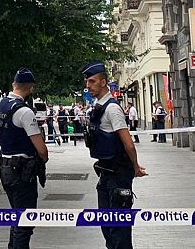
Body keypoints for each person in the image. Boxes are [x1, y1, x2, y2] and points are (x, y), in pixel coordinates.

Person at [82, 62, 147, 249]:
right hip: (106, 172)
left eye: (92, 81)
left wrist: (135, 167)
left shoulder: (111, 109)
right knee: (106, 223)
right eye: (87, 82)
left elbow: (128, 143)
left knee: (119, 227)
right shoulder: (98, 106)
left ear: (103, 82)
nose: (88, 85)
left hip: (118, 173)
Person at [0, 67, 49, 249]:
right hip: (21, 171)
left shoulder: (1, 106)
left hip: (5, 167)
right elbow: (40, 148)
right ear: (30, 88)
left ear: (14, 84)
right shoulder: (24, 112)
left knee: (16, 216)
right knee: (25, 221)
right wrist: (44, 157)